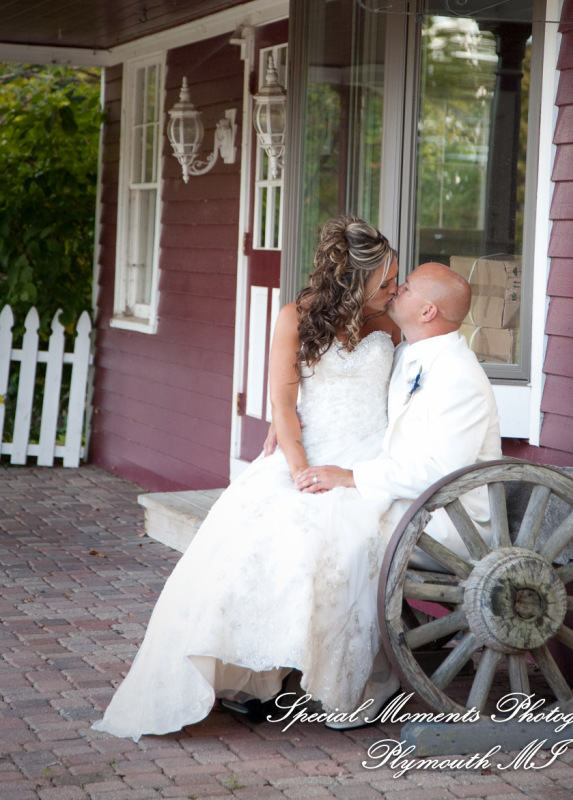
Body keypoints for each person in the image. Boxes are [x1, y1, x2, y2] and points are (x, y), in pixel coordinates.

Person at [92, 215, 402, 742]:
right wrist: (299, 466)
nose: (395, 287)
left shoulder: (393, 323)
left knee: (335, 537)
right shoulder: (296, 318)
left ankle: (318, 677)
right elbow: (282, 399)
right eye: (386, 279)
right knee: (255, 535)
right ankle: (257, 674)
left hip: (367, 458)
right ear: (355, 279)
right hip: (309, 449)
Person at [297, 262, 502, 727]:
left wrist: (351, 476)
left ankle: (371, 680)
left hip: (451, 520)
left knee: (350, 540)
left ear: (428, 310)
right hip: (409, 502)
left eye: (405, 288)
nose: (396, 291)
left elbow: (441, 473)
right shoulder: (411, 352)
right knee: (317, 521)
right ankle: (317, 667)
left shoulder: (458, 376)